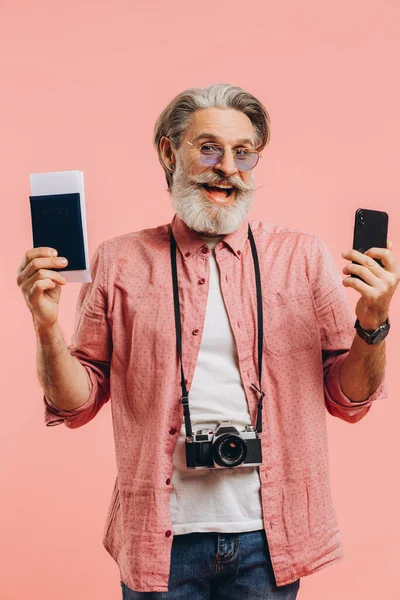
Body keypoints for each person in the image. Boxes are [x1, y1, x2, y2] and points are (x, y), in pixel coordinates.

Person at [17, 83, 399, 599]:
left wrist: (373, 323)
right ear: (169, 152)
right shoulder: (120, 261)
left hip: (271, 540)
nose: (228, 167)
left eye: (244, 153)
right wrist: (45, 328)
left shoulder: (302, 258)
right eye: (209, 147)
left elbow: (349, 399)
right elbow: (76, 405)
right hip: (160, 541)